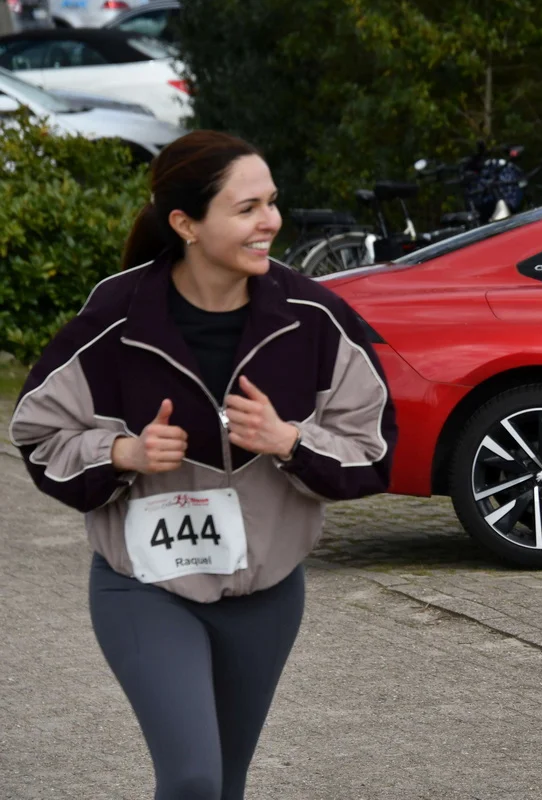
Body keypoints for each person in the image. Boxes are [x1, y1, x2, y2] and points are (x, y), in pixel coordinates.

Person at [8, 130, 398, 799]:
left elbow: (374, 447)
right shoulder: (118, 317)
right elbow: (39, 432)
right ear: (186, 224)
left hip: (266, 595)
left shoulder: (313, 318)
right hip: (145, 588)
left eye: (271, 202)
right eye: (247, 208)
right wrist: (123, 453)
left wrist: (289, 441)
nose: (271, 221)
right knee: (192, 778)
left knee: (225, 785)